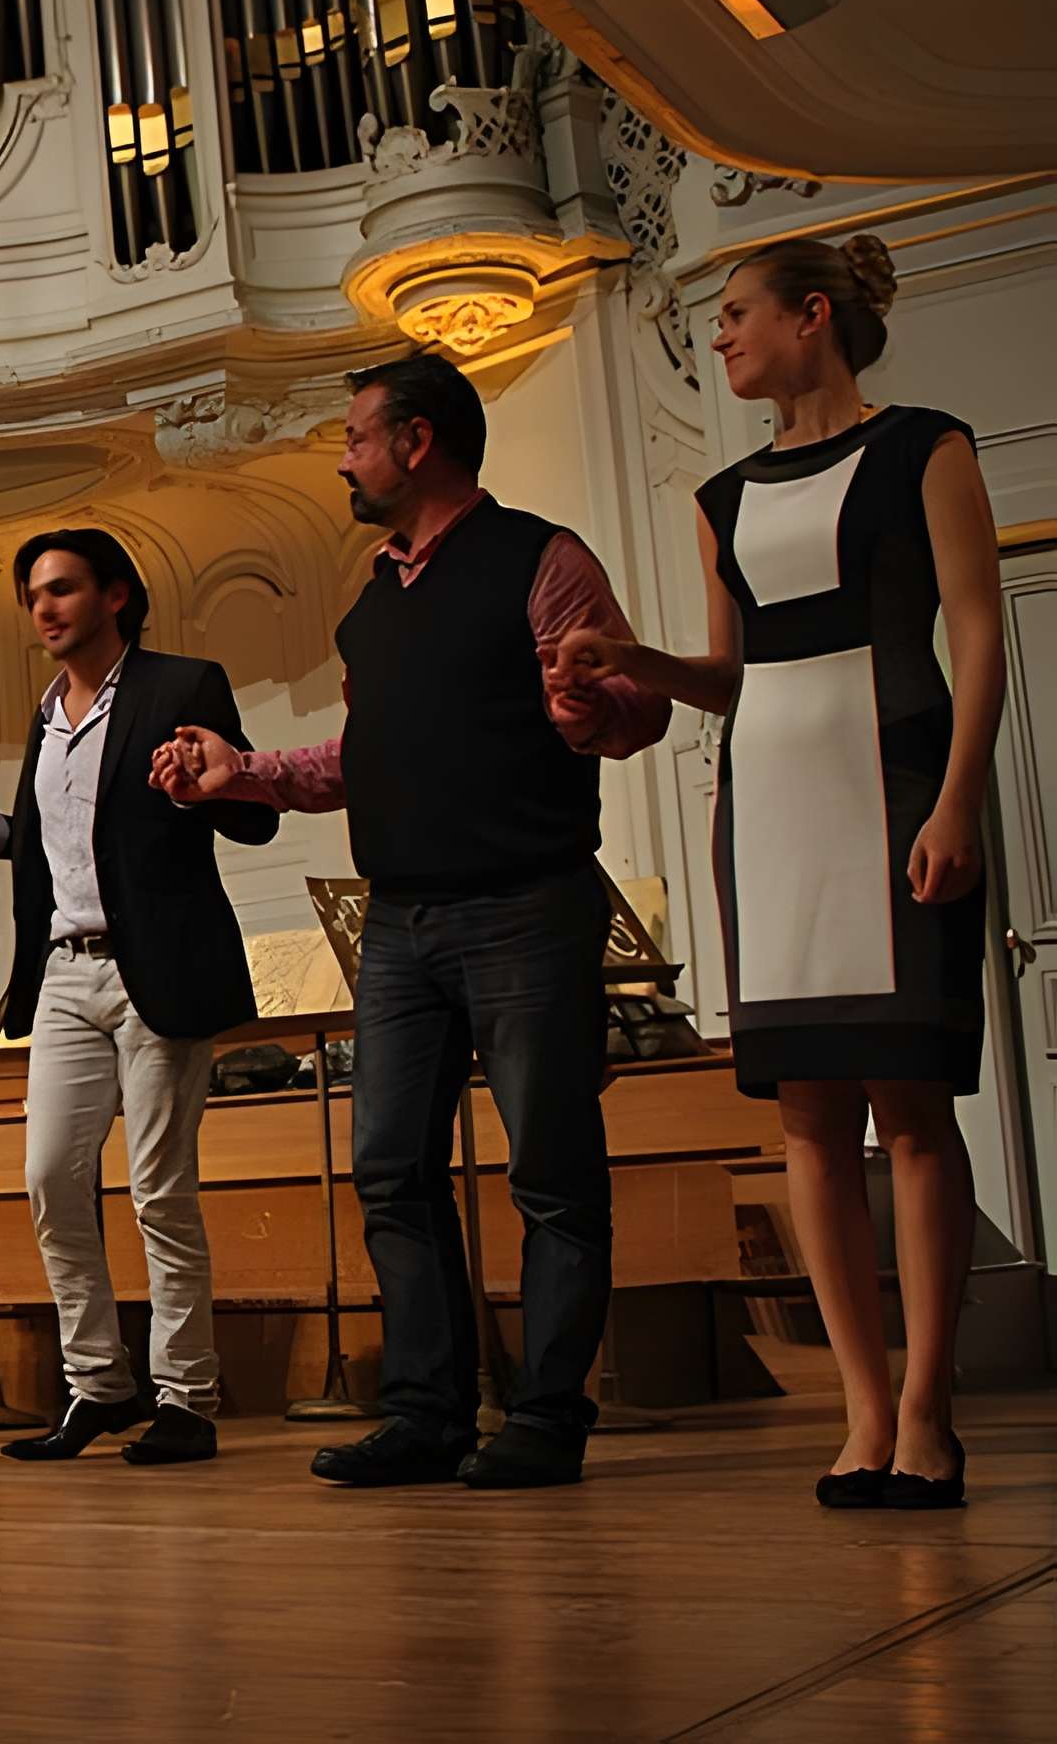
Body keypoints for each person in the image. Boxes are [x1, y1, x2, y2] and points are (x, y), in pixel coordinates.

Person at [153, 352, 668, 1490]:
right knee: (388, 1166)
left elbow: (636, 708)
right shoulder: (369, 608)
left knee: (550, 1169)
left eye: (353, 437)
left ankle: (543, 1414)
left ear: (416, 441)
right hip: (397, 922)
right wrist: (238, 772)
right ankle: (428, 1411)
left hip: (527, 904)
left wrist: (587, 702)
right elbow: (356, 758)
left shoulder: (540, 558)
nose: (342, 456)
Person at [552, 236, 991, 1510]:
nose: (721, 335)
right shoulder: (721, 496)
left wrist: (957, 797)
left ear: (814, 316)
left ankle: (927, 1406)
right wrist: (634, 658)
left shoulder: (927, 446)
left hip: (898, 779)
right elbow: (732, 676)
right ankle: (858, 1408)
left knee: (909, 1106)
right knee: (806, 1116)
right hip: (769, 806)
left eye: (737, 313)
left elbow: (973, 628)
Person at [0, 532, 276, 1466]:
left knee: (158, 1189)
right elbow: (68, 844)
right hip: (63, 973)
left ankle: (187, 1395)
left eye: (62, 589)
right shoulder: (47, 715)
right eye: (33, 596)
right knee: (51, 1179)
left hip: (156, 971)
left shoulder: (183, 685)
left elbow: (255, 812)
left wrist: (196, 789)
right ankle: (99, 1384)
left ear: (117, 595)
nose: (45, 609)